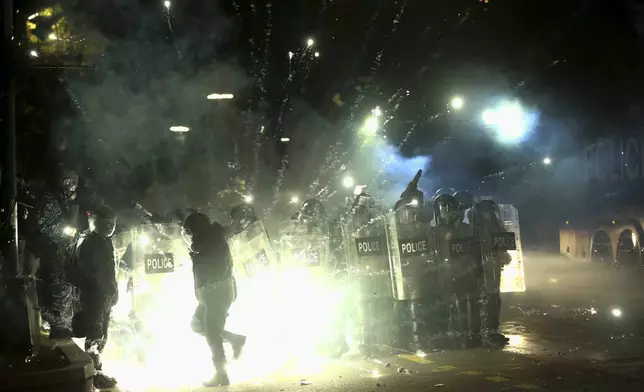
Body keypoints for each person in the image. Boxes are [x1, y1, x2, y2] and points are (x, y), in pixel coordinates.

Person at [182, 212, 246, 387]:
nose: (189, 236)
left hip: (217, 293)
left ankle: (221, 374)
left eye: (190, 232)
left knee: (211, 333)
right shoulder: (207, 242)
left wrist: (198, 257)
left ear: (197, 230)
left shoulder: (214, 242)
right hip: (209, 294)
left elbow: (216, 266)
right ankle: (234, 340)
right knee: (198, 325)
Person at [22, 167, 80, 339]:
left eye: (74, 181)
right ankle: (58, 328)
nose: (71, 185)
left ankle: (59, 325)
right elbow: (45, 227)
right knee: (56, 288)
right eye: (67, 181)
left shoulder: (61, 199)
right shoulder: (48, 199)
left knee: (61, 288)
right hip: (47, 250)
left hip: (55, 250)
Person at [70, 205, 119, 389]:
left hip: (104, 295)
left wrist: (114, 289)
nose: (109, 227)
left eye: (111, 223)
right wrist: (102, 290)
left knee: (102, 334)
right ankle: (93, 374)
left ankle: (97, 371)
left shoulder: (106, 241)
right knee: (95, 334)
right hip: (94, 296)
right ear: (96, 222)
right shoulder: (89, 242)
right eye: (106, 223)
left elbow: (110, 270)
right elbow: (89, 274)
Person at [433, 194, 481, 348]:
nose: (447, 211)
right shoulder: (435, 231)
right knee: (447, 304)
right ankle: (453, 334)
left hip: (464, 272)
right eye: (443, 208)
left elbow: (474, 250)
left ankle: (471, 334)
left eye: (450, 207)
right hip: (444, 273)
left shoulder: (467, 229)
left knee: (469, 303)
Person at [471, 200, 511, 347]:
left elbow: (504, 242)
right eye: (486, 211)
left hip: (494, 267)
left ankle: (492, 330)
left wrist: (503, 254)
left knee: (495, 299)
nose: (489, 214)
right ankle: (485, 332)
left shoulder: (496, 225)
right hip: (481, 269)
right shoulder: (475, 229)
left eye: (491, 211)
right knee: (485, 299)